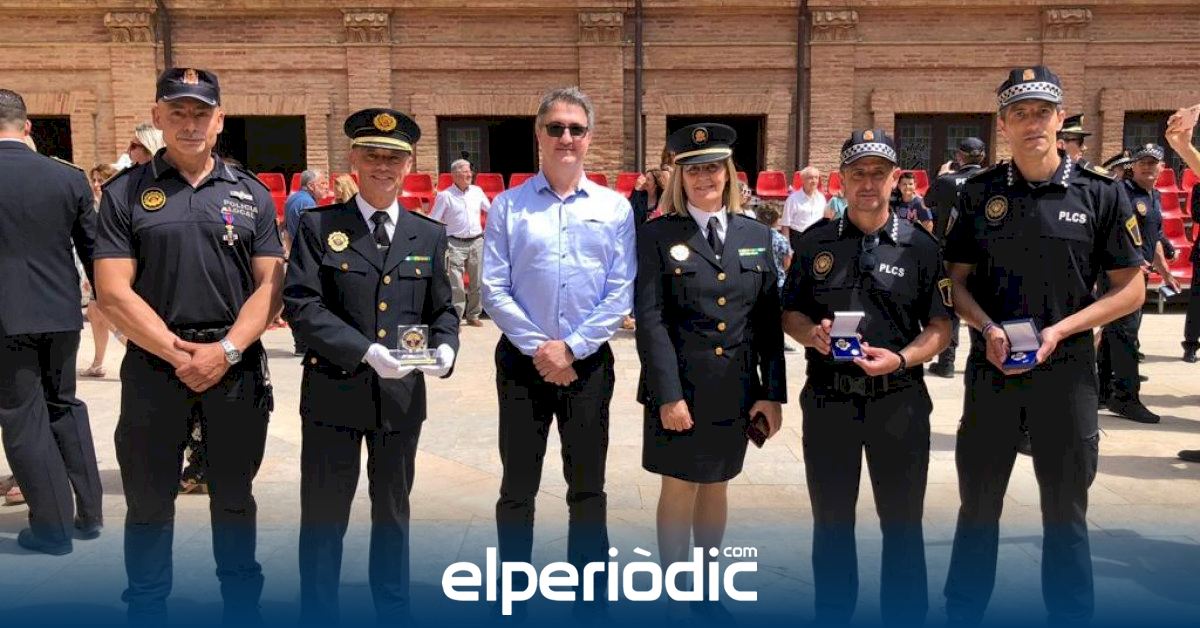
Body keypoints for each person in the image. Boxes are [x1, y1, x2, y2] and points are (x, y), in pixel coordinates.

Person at [941, 66, 1145, 625]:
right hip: (993, 370)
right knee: (978, 506)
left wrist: (1063, 330)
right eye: (1019, 113)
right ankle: (963, 612)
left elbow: (1131, 290)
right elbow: (954, 282)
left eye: (1042, 112)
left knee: (1066, 511)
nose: (1031, 123)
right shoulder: (978, 193)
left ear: (1060, 120)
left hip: (1068, 371)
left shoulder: (1100, 192)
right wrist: (987, 327)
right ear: (1003, 123)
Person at [94, 68, 284, 624]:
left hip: (234, 366)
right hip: (156, 366)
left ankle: (242, 608)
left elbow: (270, 287)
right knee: (148, 503)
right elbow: (112, 290)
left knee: (235, 499)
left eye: (201, 112)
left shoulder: (249, 192)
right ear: (157, 117)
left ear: (219, 120)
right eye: (177, 112)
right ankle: (147, 608)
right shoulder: (126, 192)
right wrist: (177, 354)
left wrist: (226, 351)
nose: (190, 123)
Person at [284, 108, 459, 625]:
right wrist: (364, 351)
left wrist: (446, 348)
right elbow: (302, 305)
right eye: (373, 156)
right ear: (354, 161)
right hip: (333, 394)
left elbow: (443, 309)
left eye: (394, 158)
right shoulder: (320, 226)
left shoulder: (428, 234)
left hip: (399, 400)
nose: (384, 166)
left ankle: (393, 611)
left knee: (393, 516)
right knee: (324, 516)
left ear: (408, 166)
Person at [783, 128, 952, 625]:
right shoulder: (815, 242)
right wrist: (811, 334)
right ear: (841, 179)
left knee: (902, 525)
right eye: (858, 173)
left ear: (896, 179)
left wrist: (901, 359)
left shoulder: (921, 247)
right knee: (831, 523)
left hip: (898, 400)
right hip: (829, 400)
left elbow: (941, 326)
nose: (868, 183)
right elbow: (789, 312)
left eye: (879, 173)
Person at [481, 87, 635, 619]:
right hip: (521, 365)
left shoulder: (615, 208)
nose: (565, 137)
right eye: (555, 128)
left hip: (587, 367)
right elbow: (493, 288)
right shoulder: (508, 206)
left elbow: (620, 291)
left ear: (589, 138)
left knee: (588, 488)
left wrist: (571, 349)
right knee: (517, 487)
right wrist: (543, 350)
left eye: (576, 128)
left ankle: (589, 601)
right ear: (539, 135)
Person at [635, 123, 785, 620]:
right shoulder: (657, 235)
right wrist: (668, 395)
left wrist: (772, 393)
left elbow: (767, 323)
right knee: (679, 486)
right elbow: (651, 321)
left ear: (729, 173)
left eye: (713, 168)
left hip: (734, 389)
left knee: (718, 484)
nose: (705, 178)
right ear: (680, 177)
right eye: (693, 169)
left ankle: (704, 587)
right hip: (680, 388)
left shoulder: (756, 235)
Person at [0, 87, 104, 555]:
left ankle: (52, 528)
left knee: (23, 417)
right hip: (61, 312)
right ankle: (89, 512)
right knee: (64, 404)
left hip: (6, 317)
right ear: (28, 127)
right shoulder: (68, 177)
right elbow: (94, 250)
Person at [1097, 143, 1177, 423]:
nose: (1147, 167)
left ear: (1162, 167)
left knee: (1114, 333)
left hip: (1138, 275)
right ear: (1132, 165)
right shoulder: (1121, 191)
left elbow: (1154, 239)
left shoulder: (1154, 196)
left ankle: (1103, 391)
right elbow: (1110, 230)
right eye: (1142, 162)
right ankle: (1126, 397)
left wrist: (1165, 272)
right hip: (1119, 275)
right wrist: (1130, 259)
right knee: (1126, 335)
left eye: (1153, 163)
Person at [926, 137, 987, 378]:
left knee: (950, 304)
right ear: (982, 157)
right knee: (980, 305)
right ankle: (982, 357)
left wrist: (942, 175)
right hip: (984, 254)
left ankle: (947, 362)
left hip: (950, 253)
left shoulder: (946, 181)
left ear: (959, 157)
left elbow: (928, 201)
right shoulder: (990, 180)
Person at [430, 158, 489, 326]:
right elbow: (434, 219)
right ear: (455, 175)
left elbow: (491, 210)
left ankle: (473, 315)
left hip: (477, 241)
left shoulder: (477, 191)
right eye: (465, 171)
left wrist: (488, 232)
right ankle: (455, 319)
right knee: (456, 285)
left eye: (470, 171)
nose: (470, 174)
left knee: (477, 282)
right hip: (454, 243)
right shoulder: (445, 196)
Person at [80, 163, 121, 378]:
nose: (96, 185)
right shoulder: (93, 204)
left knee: (103, 314)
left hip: (107, 267)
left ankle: (136, 347)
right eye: (94, 180)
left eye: (100, 180)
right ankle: (97, 363)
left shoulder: (112, 205)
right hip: (95, 266)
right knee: (95, 315)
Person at [783, 166, 826, 242]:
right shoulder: (792, 199)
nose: (814, 181)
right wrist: (787, 246)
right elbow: (785, 225)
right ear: (802, 180)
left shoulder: (821, 198)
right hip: (799, 239)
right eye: (810, 178)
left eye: (816, 178)